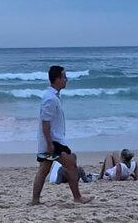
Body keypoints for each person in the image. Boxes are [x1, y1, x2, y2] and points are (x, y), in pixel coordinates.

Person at [30, 65, 93, 205]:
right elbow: (45, 123)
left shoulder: (52, 96)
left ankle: (35, 200)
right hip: (53, 142)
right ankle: (77, 197)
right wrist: (49, 143)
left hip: (53, 140)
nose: (66, 79)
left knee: (44, 169)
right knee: (71, 165)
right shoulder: (50, 98)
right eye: (64, 77)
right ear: (57, 79)